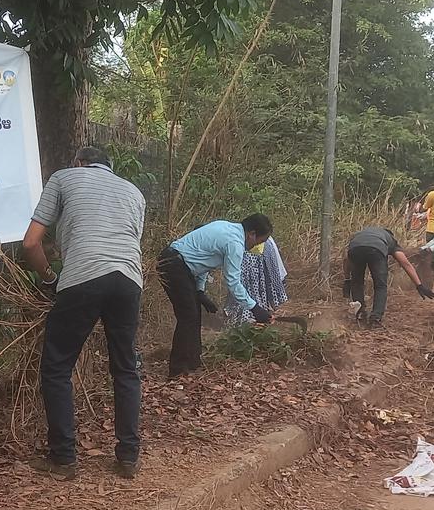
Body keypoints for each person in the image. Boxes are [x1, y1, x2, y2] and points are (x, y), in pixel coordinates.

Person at [22, 147, 145, 480]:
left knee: (57, 367)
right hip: (129, 280)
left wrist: (50, 278)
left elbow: (31, 243)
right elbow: (131, 242)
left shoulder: (63, 177)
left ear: (78, 163)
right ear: (111, 167)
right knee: (126, 368)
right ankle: (128, 457)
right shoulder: (134, 192)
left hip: (83, 277)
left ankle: (64, 459)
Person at [159, 214, 274, 377]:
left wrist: (200, 292)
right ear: (251, 234)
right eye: (259, 241)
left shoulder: (226, 227)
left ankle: (192, 362)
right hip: (174, 265)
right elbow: (233, 282)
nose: (257, 245)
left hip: (178, 264)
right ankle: (178, 370)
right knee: (188, 316)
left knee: (194, 314)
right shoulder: (235, 243)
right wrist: (254, 308)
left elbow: (203, 260)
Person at [343, 227, 434, 327]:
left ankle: (360, 313)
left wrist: (347, 280)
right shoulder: (390, 239)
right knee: (380, 286)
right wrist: (419, 285)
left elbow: (347, 260)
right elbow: (405, 263)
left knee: (356, 282)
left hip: (355, 249)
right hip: (376, 250)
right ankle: (375, 318)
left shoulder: (360, 235)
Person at [223, 236, 288, 326]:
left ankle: (253, 320)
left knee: (255, 293)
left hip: (257, 267)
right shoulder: (242, 241)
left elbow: (273, 267)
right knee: (244, 291)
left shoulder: (267, 242)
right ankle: (247, 320)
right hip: (247, 267)